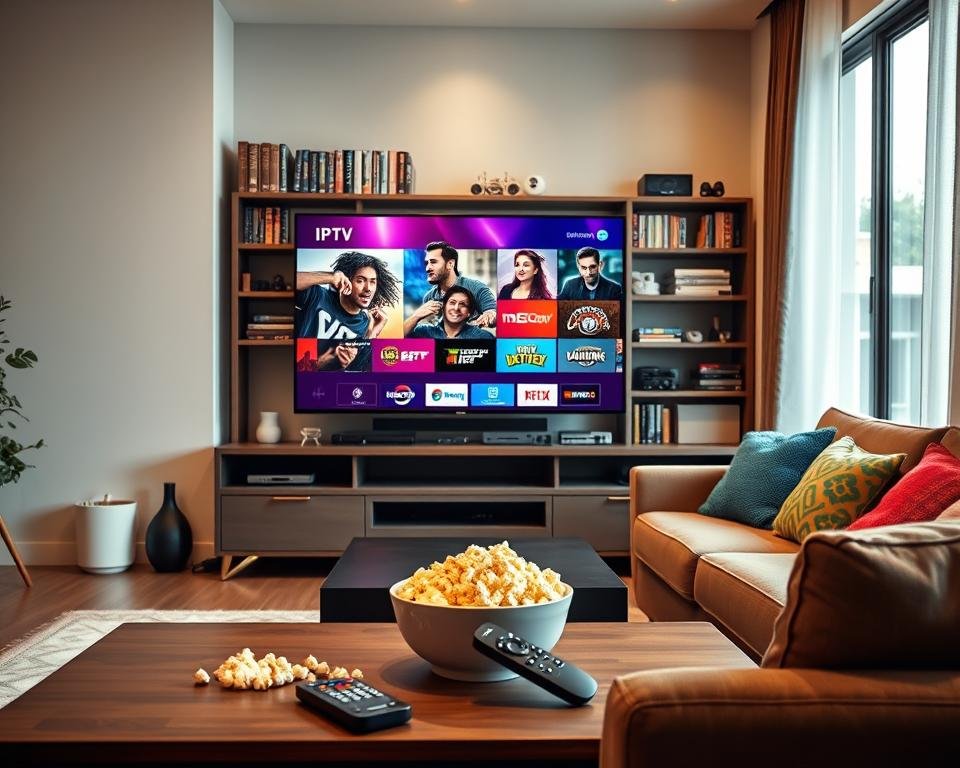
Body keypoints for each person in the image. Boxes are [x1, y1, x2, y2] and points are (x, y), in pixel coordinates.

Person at [295, 251, 401, 370]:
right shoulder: (318, 296)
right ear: (346, 280)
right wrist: (331, 277)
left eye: (372, 282)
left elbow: (360, 367)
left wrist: (374, 332)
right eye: (360, 281)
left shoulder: (365, 322)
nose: (368, 289)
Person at [402, 240, 496, 336]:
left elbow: (493, 313)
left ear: (450, 264)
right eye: (427, 263)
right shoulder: (430, 297)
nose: (428, 268)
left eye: (433, 262)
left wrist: (490, 316)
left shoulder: (476, 288)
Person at [409, 285, 495, 340]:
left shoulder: (483, 337)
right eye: (452, 302)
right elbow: (397, 342)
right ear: (443, 307)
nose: (456, 308)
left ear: (469, 312)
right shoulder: (423, 331)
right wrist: (416, 316)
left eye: (462, 304)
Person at [557, 246, 623, 301]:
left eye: (592, 267)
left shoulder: (614, 289)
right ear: (579, 267)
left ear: (600, 265)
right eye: (584, 268)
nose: (588, 273)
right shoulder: (570, 286)